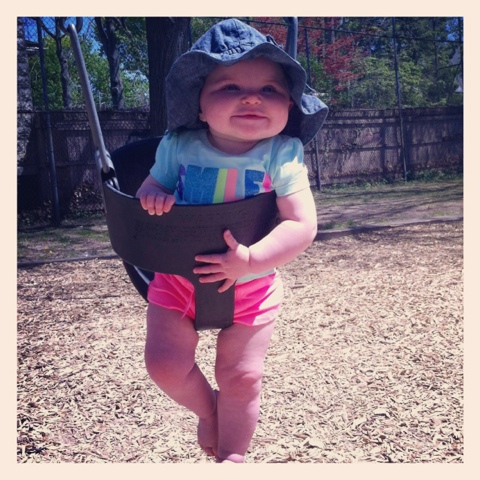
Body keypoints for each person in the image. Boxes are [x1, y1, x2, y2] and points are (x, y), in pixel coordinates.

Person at [136, 18, 328, 463]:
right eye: (230, 87)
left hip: (251, 285)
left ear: (289, 106)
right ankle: (209, 410)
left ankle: (233, 457)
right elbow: (152, 187)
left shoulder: (282, 153)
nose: (252, 97)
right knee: (164, 365)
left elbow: (302, 225)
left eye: (270, 89)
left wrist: (251, 260)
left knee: (242, 377)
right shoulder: (179, 145)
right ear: (200, 105)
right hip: (178, 279)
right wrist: (155, 197)